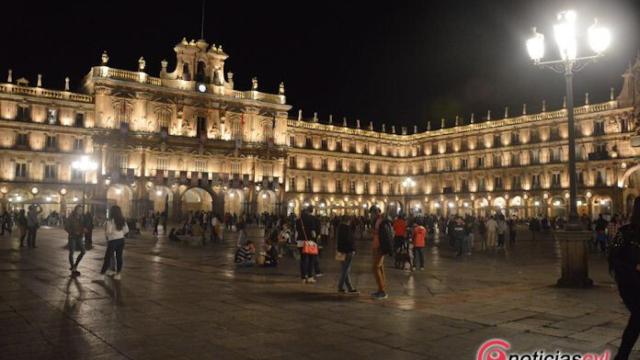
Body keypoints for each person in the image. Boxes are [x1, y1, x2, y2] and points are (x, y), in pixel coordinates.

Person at [608, 197, 640, 360]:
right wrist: (634, 267)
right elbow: (614, 259)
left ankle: (622, 356)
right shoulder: (626, 233)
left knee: (637, 320)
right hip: (631, 285)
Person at [100, 205, 129, 280]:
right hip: (121, 240)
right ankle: (118, 274)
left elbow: (108, 232)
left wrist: (107, 231)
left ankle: (102, 274)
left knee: (108, 257)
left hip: (113, 241)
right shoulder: (122, 220)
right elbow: (126, 230)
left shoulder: (110, 221)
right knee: (119, 257)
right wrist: (120, 233)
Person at [371, 207, 391, 300]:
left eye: (373, 213)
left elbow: (384, 235)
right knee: (380, 267)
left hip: (380, 247)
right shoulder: (378, 221)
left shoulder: (381, 221)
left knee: (375, 268)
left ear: (377, 212)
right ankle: (381, 289)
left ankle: (382, 291)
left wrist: (383, 248)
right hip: (377, 246)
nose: (371, 215)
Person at [296, 207, 319, 283]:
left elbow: (297, 230)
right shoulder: (311, 218)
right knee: (310, 259)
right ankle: (310, 276)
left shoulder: (299, 220)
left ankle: (303, 277)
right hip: (309, 241)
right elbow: (313, 232)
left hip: (300, 242)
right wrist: (315, 238)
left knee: (303, 260)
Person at [337, 217, 358, 294]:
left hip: (340, 251)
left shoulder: (339, 228)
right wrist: (353, 249)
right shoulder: (347, 229)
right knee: (345, 270)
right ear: (348, 221)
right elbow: (350, 240)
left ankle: (350, 287)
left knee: (345, 270)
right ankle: (340, 286)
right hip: (348, 251)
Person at [65, 205, 86, 277]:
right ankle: (73, 267)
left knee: (83, 251)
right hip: (72, 237)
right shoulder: (71, 217)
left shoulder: (81, 217)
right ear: (76, 210)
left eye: (81, 210)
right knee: (72, 252)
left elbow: (82, 226)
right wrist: (73, 232)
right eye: (79, 209)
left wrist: (84, 230)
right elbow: (66, 227)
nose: (80, 211)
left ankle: (75, 265)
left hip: (79, 236)